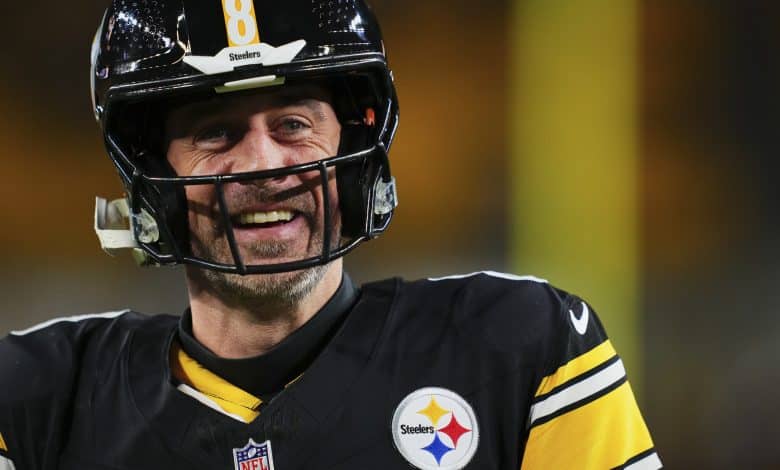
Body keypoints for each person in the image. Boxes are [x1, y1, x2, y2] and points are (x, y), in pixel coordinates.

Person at [0, 1, 661, 469]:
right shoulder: (37, 399)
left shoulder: (519, 350)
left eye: (292, 124)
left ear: (353, 148)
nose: (263, 165)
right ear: (150, 173)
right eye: (217, 133)